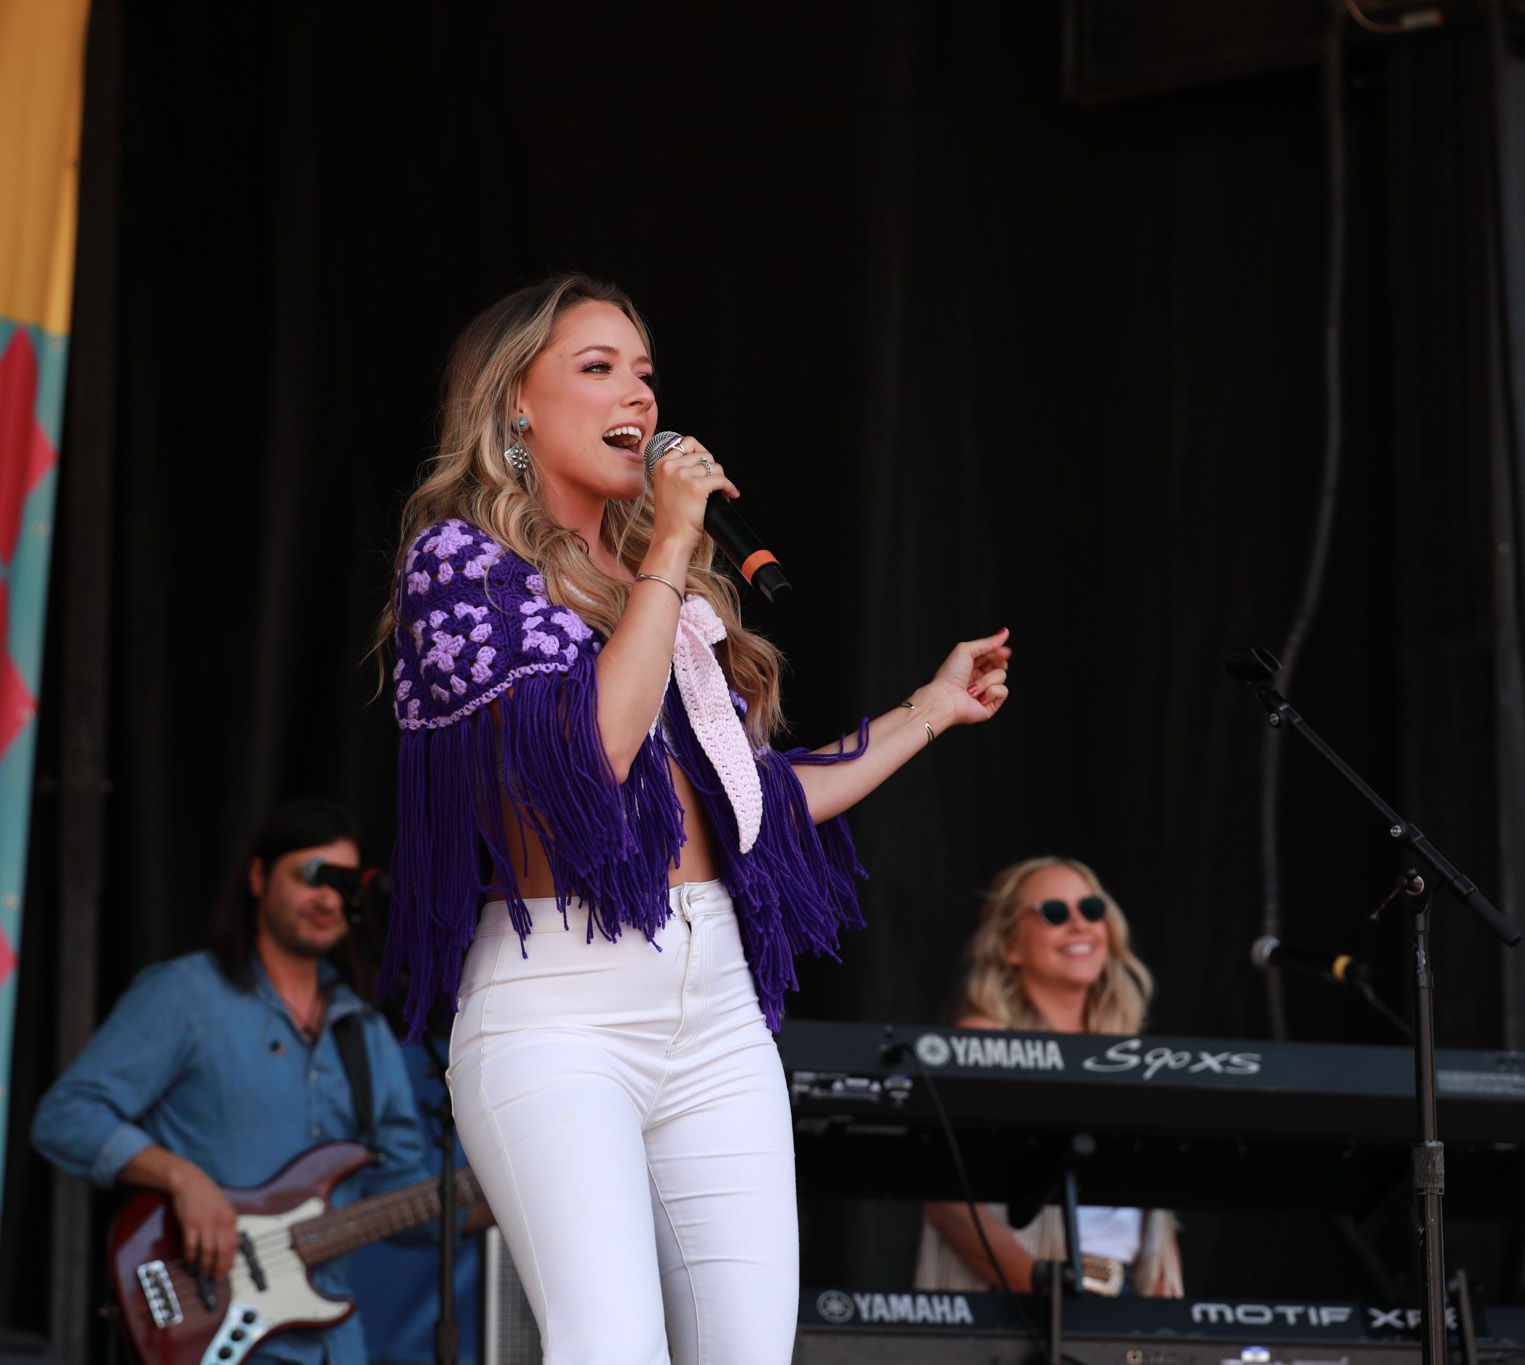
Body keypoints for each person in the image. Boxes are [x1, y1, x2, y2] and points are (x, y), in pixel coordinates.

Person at [374, 272, 1012, 1363]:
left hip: (715, 1005)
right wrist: (667, 552)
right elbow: (589, 757)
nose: (638, 393)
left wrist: (928, 710)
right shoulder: (464, 567)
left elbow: (750, 802)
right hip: (559, 1010)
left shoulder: (662, 584)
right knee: (609, 1348)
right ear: (513, 403)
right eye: (597, 366)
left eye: (644, 372)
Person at [32, 797, 440, 1365]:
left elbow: (404, 1199)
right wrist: (182, 1179)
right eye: (310, 876)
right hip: (212, 1334)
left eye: (342, 885)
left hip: (334, 1347)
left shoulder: (366, 1030)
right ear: (258, 877)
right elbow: (66, 1114)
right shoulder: (187, 994)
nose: (327, 899)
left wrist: (500, 1197)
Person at [917, 855, 1183, 1299]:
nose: (1079, 925)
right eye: (1055, 914)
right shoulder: (984, 1043)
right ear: (1011, 947)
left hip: (1120, 1303)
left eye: (1091, 910)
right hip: (1027, 1301)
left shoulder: (1128, 1055)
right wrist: (1049, 1294)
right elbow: (949, 1203)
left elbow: (1151, 1218)